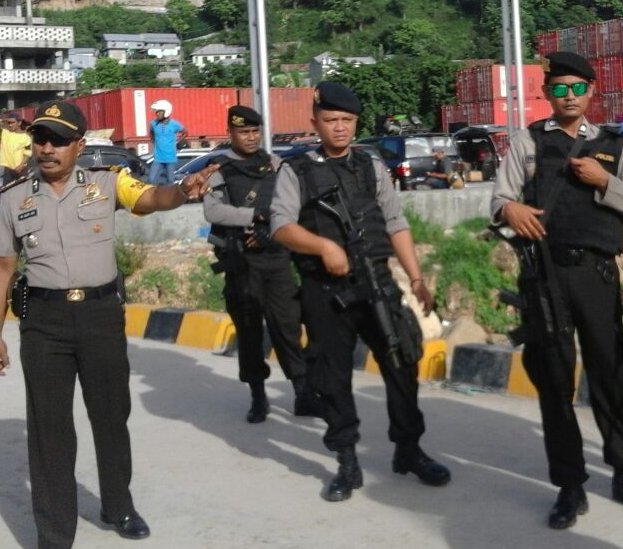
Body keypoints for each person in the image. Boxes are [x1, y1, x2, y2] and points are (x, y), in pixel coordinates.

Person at [0, 101, 212, 549]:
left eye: (58, 141)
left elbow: (152, 198)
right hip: (43, 323)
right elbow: (3, 268)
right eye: (41, 139)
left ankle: (118, 506)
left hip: (101, 317)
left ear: (79, 147)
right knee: (50, 430)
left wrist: (183, 192)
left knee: (110, 416)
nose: (47, 149)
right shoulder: (13, 199)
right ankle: (53, 539)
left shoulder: (109, 183)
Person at [490, 51, 623, 530]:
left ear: (591, 92)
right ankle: (569, 484)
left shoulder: (613, 146)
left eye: (577, 88)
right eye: (559, 88)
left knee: (610, 373)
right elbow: (499, 198)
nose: (568, 96)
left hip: (596, 275)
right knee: (555, 379)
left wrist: (605, 181)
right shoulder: (527, 142)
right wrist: (511, 212)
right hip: (544, 276)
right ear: (547, 93)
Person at [271, 81, 450, 502]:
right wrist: (323, 246)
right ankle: (346, 460)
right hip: (325, 289)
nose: (339, 128)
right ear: (314, 121)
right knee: (332, 377)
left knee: (402, 359)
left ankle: (408, 449)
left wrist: (417, 279)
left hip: (377, 281)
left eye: (346, 121)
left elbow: (395, 222)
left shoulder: (371, 166)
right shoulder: (295, 170)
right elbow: (281, 225)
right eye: (330, 120)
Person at [203, 105, 319, 423]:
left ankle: (303, 394)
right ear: (231, 133)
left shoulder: (277, 165)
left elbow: (292, 204)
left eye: (255, 131)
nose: (251, 137)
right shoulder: (220, 171)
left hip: (277, 259)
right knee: (250, 331)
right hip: (242, 264)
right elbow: (213, 212)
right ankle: (258, 397)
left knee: (288, 327)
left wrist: (271, 230)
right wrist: (255, 217)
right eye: (244, 132)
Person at [147, 100, 185, 186]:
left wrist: (178, 141)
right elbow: (151, 132)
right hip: (158, 158)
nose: (157, 114)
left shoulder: (174, 124)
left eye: (159, 112)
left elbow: (185, 132)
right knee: (151, 180)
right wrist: (154, 142)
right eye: (156, 112)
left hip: (170, 158)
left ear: (166, 112)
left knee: (170, 181)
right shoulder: (153, 123)